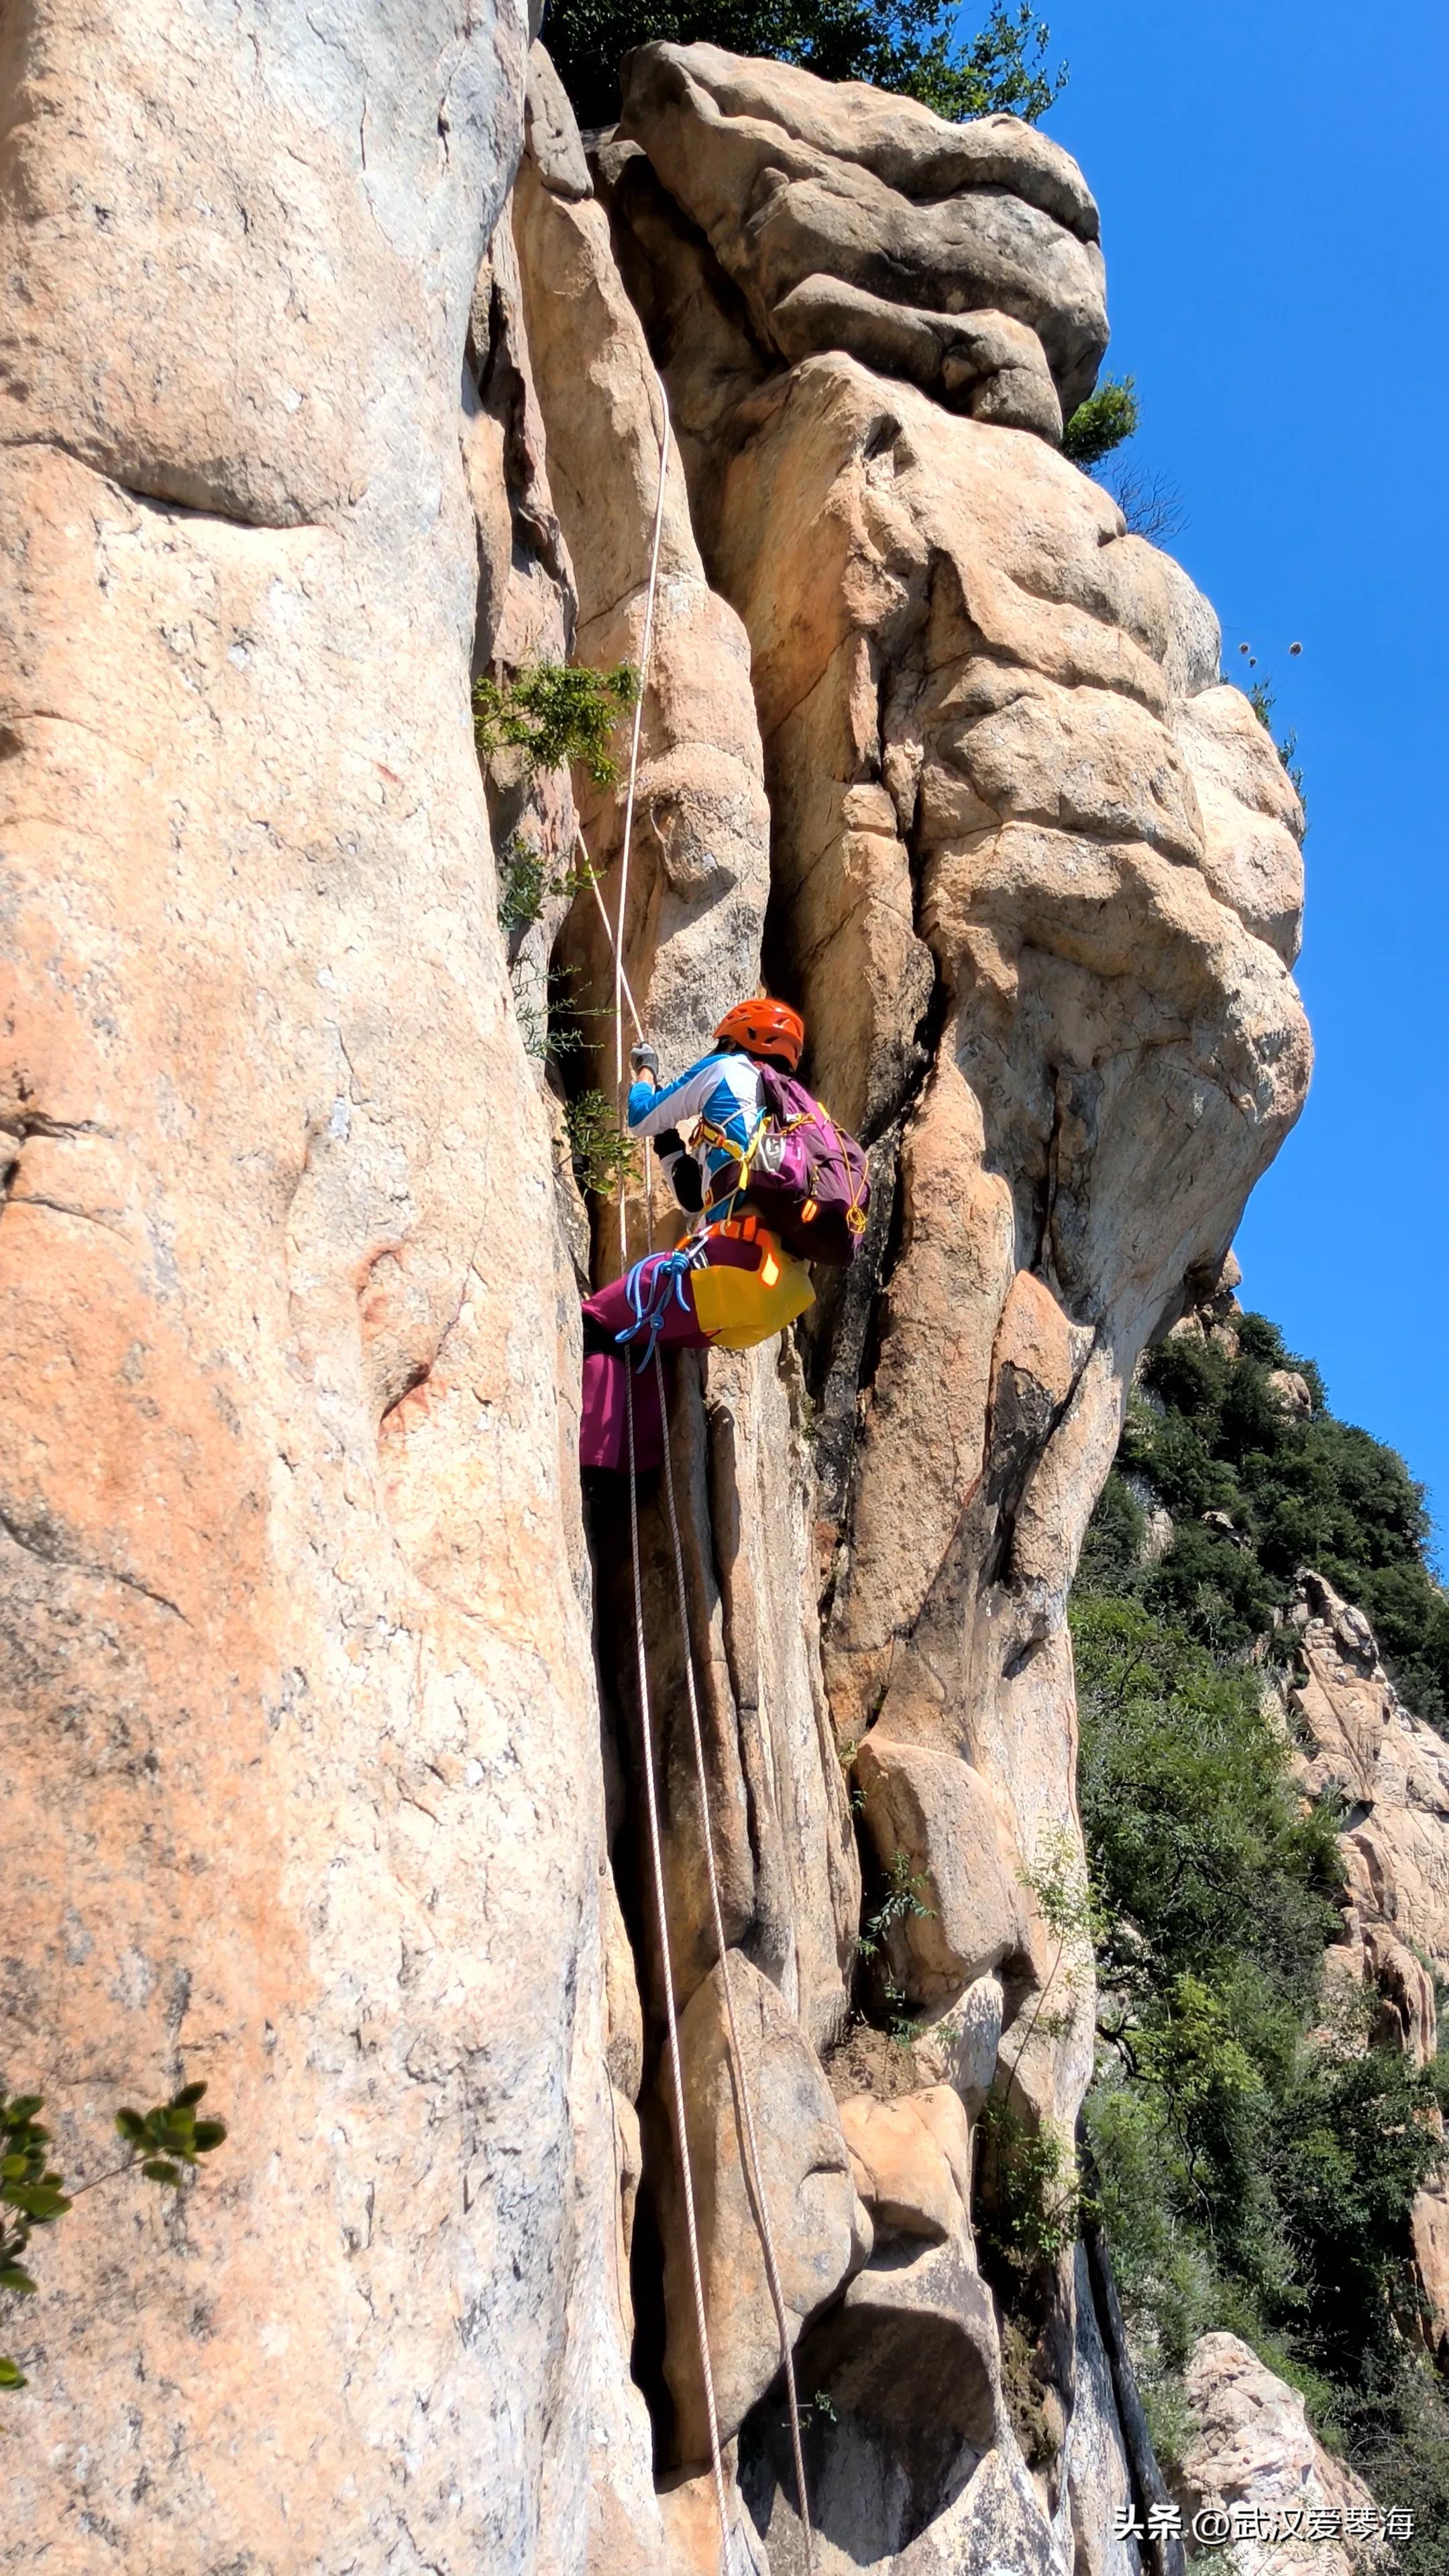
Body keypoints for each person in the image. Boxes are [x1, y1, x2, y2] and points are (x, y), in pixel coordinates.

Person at [579, 1000, 813, 1472]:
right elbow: (693, 1196)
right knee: (653, 1336)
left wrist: (646, 1072)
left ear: (736, 1037)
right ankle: (638, 1472)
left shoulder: (725, 1068)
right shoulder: (793, 1116)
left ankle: (597, 1463)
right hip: (772, 1299)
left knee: (602, 1320)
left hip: (729, 1264)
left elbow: (642, 1116)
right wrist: (669, 1142)